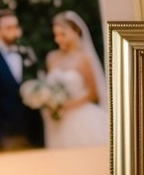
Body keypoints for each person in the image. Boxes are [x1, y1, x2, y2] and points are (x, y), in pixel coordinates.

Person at [42, 11, 108, 149]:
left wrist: (68, 105)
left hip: (82, 118)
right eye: (56, 34)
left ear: (75, 31)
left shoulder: (84, 58)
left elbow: (93, 94)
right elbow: (48, 87)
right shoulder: (51, 57)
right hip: (57, 121)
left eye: (62, 34)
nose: (58, 39)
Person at [0, 9, 45, 152]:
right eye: (8, 28)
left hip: (34, 132)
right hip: (7, 135)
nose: (13, 31)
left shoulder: (27, 54)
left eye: (15, 27)